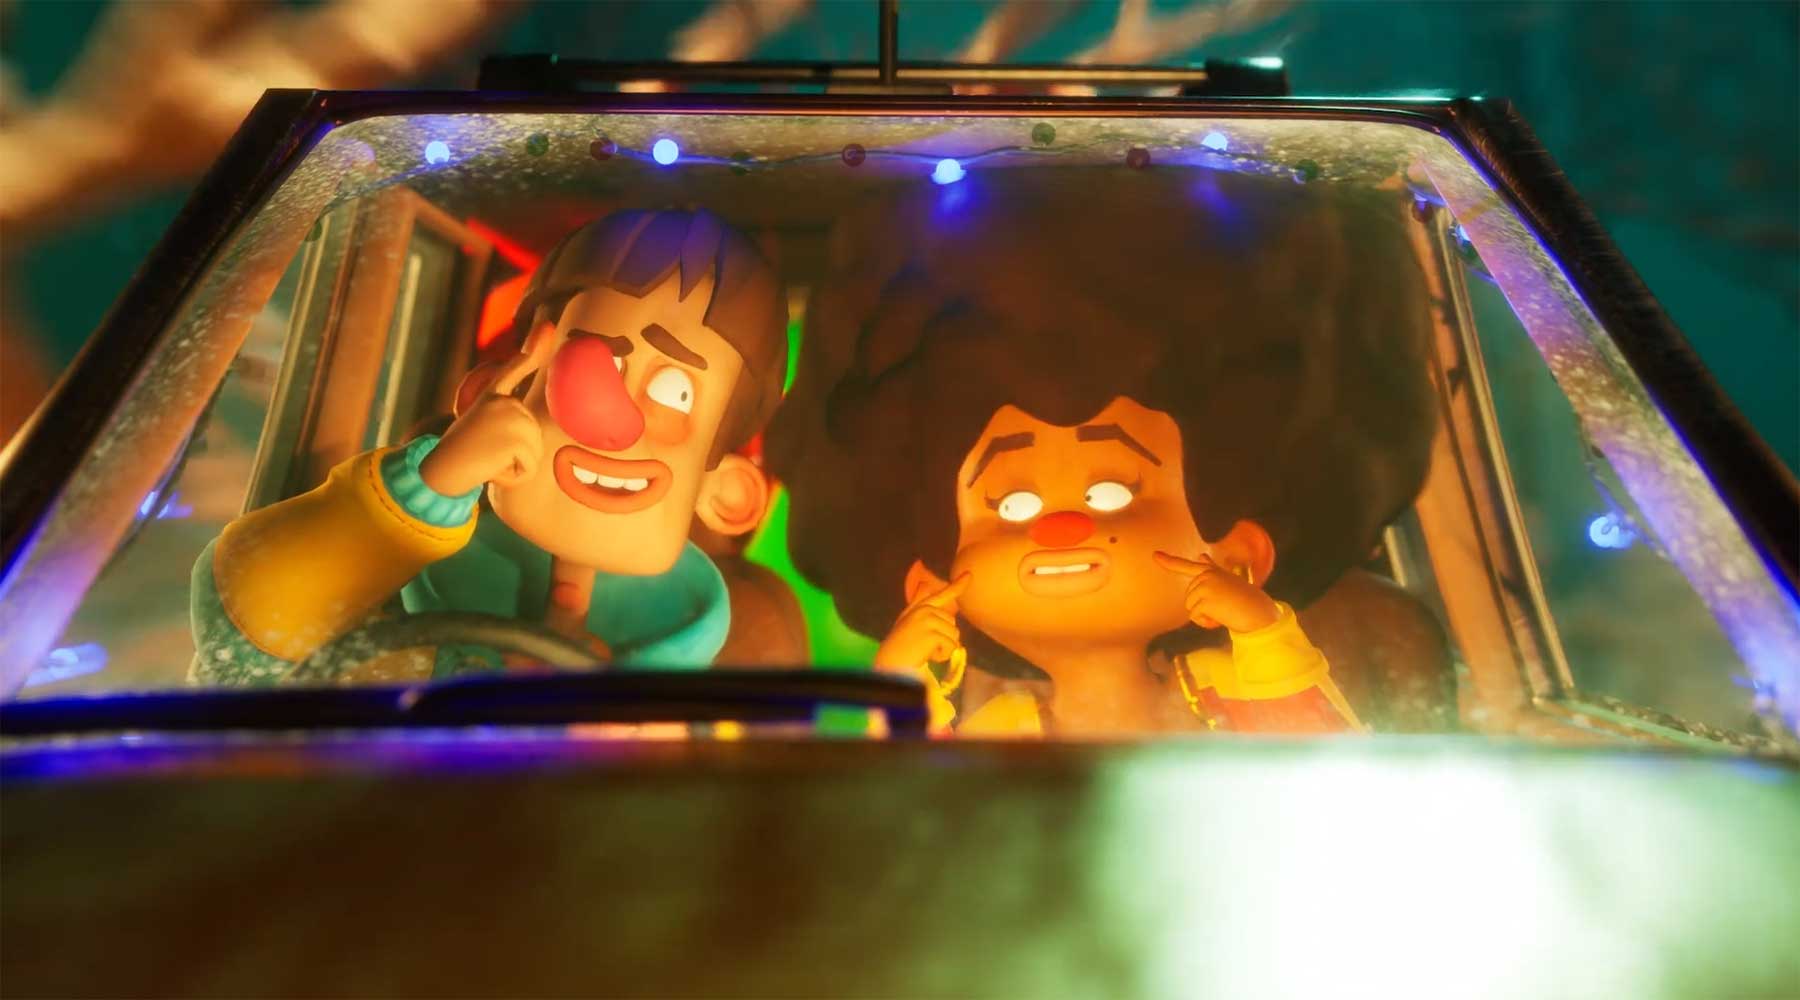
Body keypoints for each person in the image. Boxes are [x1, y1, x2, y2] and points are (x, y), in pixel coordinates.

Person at [768, 170, 1439, 736]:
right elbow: (912, 813)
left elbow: (1318, 771)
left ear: (1239, 552)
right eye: (1012, 503)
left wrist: (1263, 634)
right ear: (930, 584)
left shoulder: (1226, 696)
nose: (1061, 529)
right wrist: (901, 684)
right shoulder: (1001, 736)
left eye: (1113, 492)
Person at [191, 208, 788, 681]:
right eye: (593, 365)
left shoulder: (689, 673)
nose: (614, 423)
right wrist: (427, 491)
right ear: (488, 397)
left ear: (728, 494)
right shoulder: (416, 599)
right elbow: (239, 655)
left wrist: (596, 727)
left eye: (674, 393)